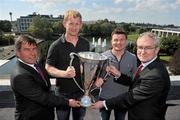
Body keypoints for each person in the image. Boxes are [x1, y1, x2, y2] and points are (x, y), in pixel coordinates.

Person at [92, 32, 170, 120]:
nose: (143, 52)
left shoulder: (155, 75)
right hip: (130, 108)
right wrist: (119, 74)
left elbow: (131, 97)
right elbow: (135, 81)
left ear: (156, 49)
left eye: (148, 48)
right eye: (140, 47)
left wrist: (104, 104)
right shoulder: (146, 66)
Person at [10, 35, 80, 120]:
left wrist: (66, 73)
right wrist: (68, 102)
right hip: (32, 117)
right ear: (18, 53)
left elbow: (44, 77)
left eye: (34, 48)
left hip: (45, 114)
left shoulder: (36, 64)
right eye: (27, 49)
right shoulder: (20, 76)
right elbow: (43, 98)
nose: (32, 53)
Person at [45, 9, 90, 120]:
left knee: (79, 118)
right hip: (62, 94)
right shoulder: (56, 45)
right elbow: (48, 67)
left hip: (81, 91)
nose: (74, 27)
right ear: (64, 24)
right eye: (71, 23)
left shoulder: (85, 43)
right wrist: (64, 74)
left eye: (77, 24)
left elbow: (88, 64)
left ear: (81, 25)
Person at [95, 28, 137, 120]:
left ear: (126, 41)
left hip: (123, 98)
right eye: (116, 40)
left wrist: (118, 74)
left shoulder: (133, 58)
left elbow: (134, 81)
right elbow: (95, 75)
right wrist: (96, 81)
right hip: (105, 98)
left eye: (122, 40)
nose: (119, 42)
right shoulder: (102, 56)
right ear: (111, 41)